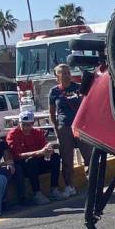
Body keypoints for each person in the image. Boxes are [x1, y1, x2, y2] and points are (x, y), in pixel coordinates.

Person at [6, 109, 66, 204]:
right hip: (24, 164)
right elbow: (18, 155)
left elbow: (44, 146)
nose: (26, 127)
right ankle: (36, 193)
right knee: (31, 161)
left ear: (32, 123)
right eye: (24, 124)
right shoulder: (13, 134)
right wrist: (38, 153)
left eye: (29, 124)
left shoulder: (37, 132)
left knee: (55, 157)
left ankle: (54, 189)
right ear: (19, 123)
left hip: (39, 160)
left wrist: (48, 150)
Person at [48, 63, 83, 197]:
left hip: (80, 126)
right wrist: (57, 129)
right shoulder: (54, 91)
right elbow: (52, 113)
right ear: (57, 76)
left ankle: (95, 183)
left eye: (68, 72)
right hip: (65, 127)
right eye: (63, 73)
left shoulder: (78, 88)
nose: (67, 75)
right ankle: (70, 186)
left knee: (89, 155)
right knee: (67, 159)